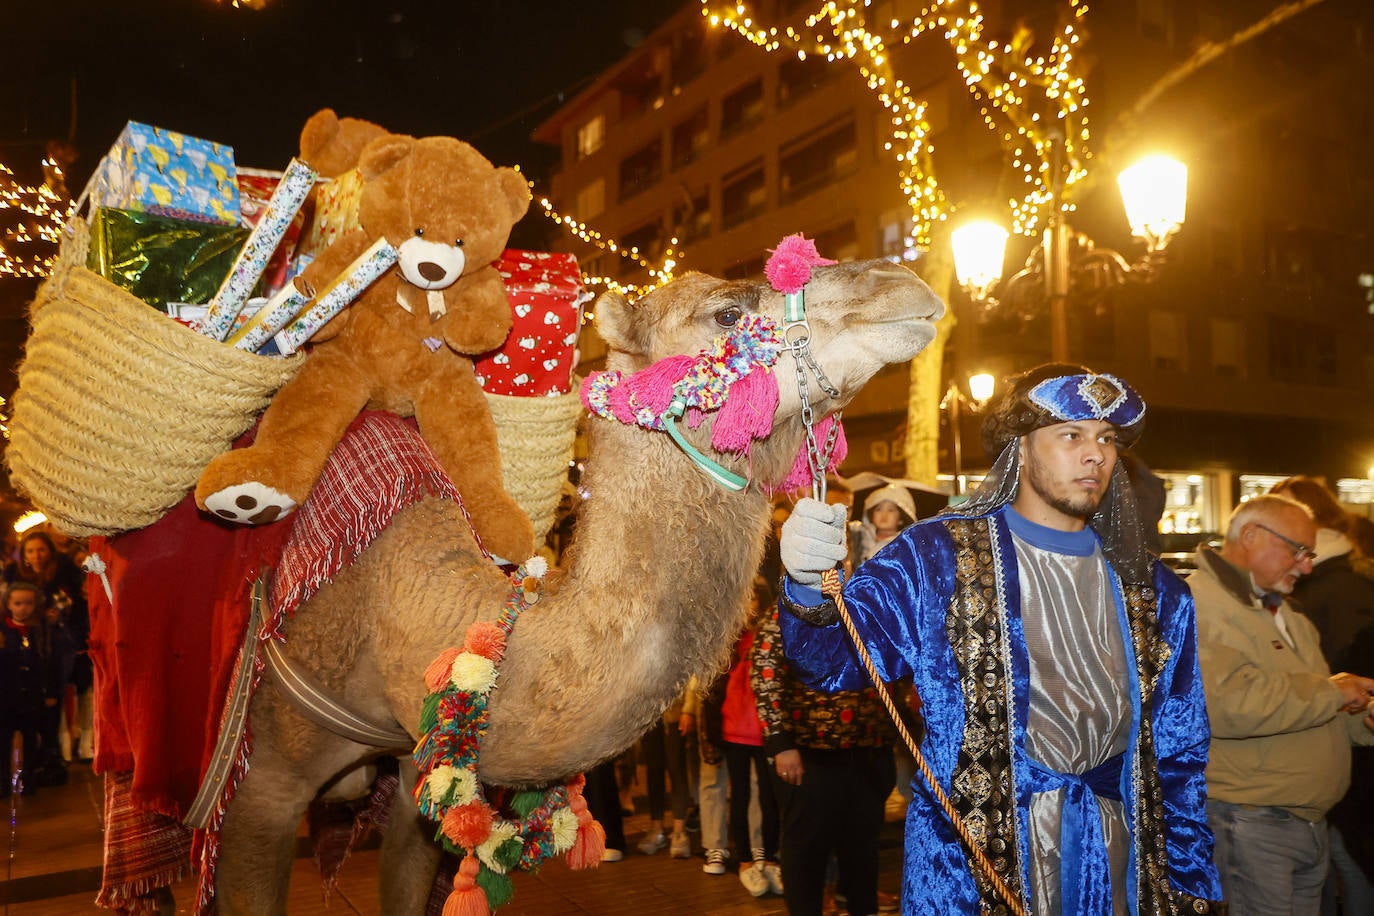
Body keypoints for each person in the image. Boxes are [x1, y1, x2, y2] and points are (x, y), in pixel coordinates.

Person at [777, 363, 1223, 914]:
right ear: (1020, 447)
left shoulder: (1155, 589)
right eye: (1071, 434)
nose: (1097, 454)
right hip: (971, 862)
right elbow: (831, 662)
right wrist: (807, 585)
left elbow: (1180, 750)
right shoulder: (935, 556)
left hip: (1121, 856)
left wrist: (1190, 878)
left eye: (1107, 438)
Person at [1189, 493, 1374, 915]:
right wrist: (1334, 692)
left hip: (1302, 825)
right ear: (1251, 535)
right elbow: (1227, 705)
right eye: (1298, 551)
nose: (1307, 566)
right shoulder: (1200, 606)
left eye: (1310, 554)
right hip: (1249, 823)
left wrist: (1361, 720)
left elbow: (1311, 709)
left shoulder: (1285, 613)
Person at [751, 596, 898, 916]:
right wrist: (780, 743)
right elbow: (765, 670)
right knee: (806, 851)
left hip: (867, 751)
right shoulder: (787, 608)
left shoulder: (866, 602)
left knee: (862, 849)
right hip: (808, 755)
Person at [1268, 477, 1374, 916]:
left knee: (1349, 863)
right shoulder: (1314, 585)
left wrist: (1337, 695)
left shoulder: (1337, 589)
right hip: (1323, 751)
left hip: (1342, 758)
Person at [700, 578, 782, 897]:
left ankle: (770, 858)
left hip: (764, 730)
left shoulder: (771, 636)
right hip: (734, 728)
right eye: (745, 602)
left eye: (754, 601)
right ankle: (746, 860)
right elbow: (711, 687)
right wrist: (709, 732)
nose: (750, 608)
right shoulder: (727, 638)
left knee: (769, 797)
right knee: (741, 795)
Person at [3, 530, 89, 778]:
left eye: (40, 549)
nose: (36, 555)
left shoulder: (63, 573)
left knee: (56, 696)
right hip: (25, 643)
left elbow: (78, 607)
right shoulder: (15, 575)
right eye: (30, 550)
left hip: (58, 644)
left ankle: (54, 754)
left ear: (49, 551)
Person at [0, 582, 60, 796]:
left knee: (30, 739)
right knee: (3, 741)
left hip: (32, 697)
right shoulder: (4, 631)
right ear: (8, 605)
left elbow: (52, 663)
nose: (23, 608)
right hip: (5, 696)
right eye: (17, 603)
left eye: (28, 603)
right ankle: (3, 782)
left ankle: (29, 779)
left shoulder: (40, 631)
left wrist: (51, 692)